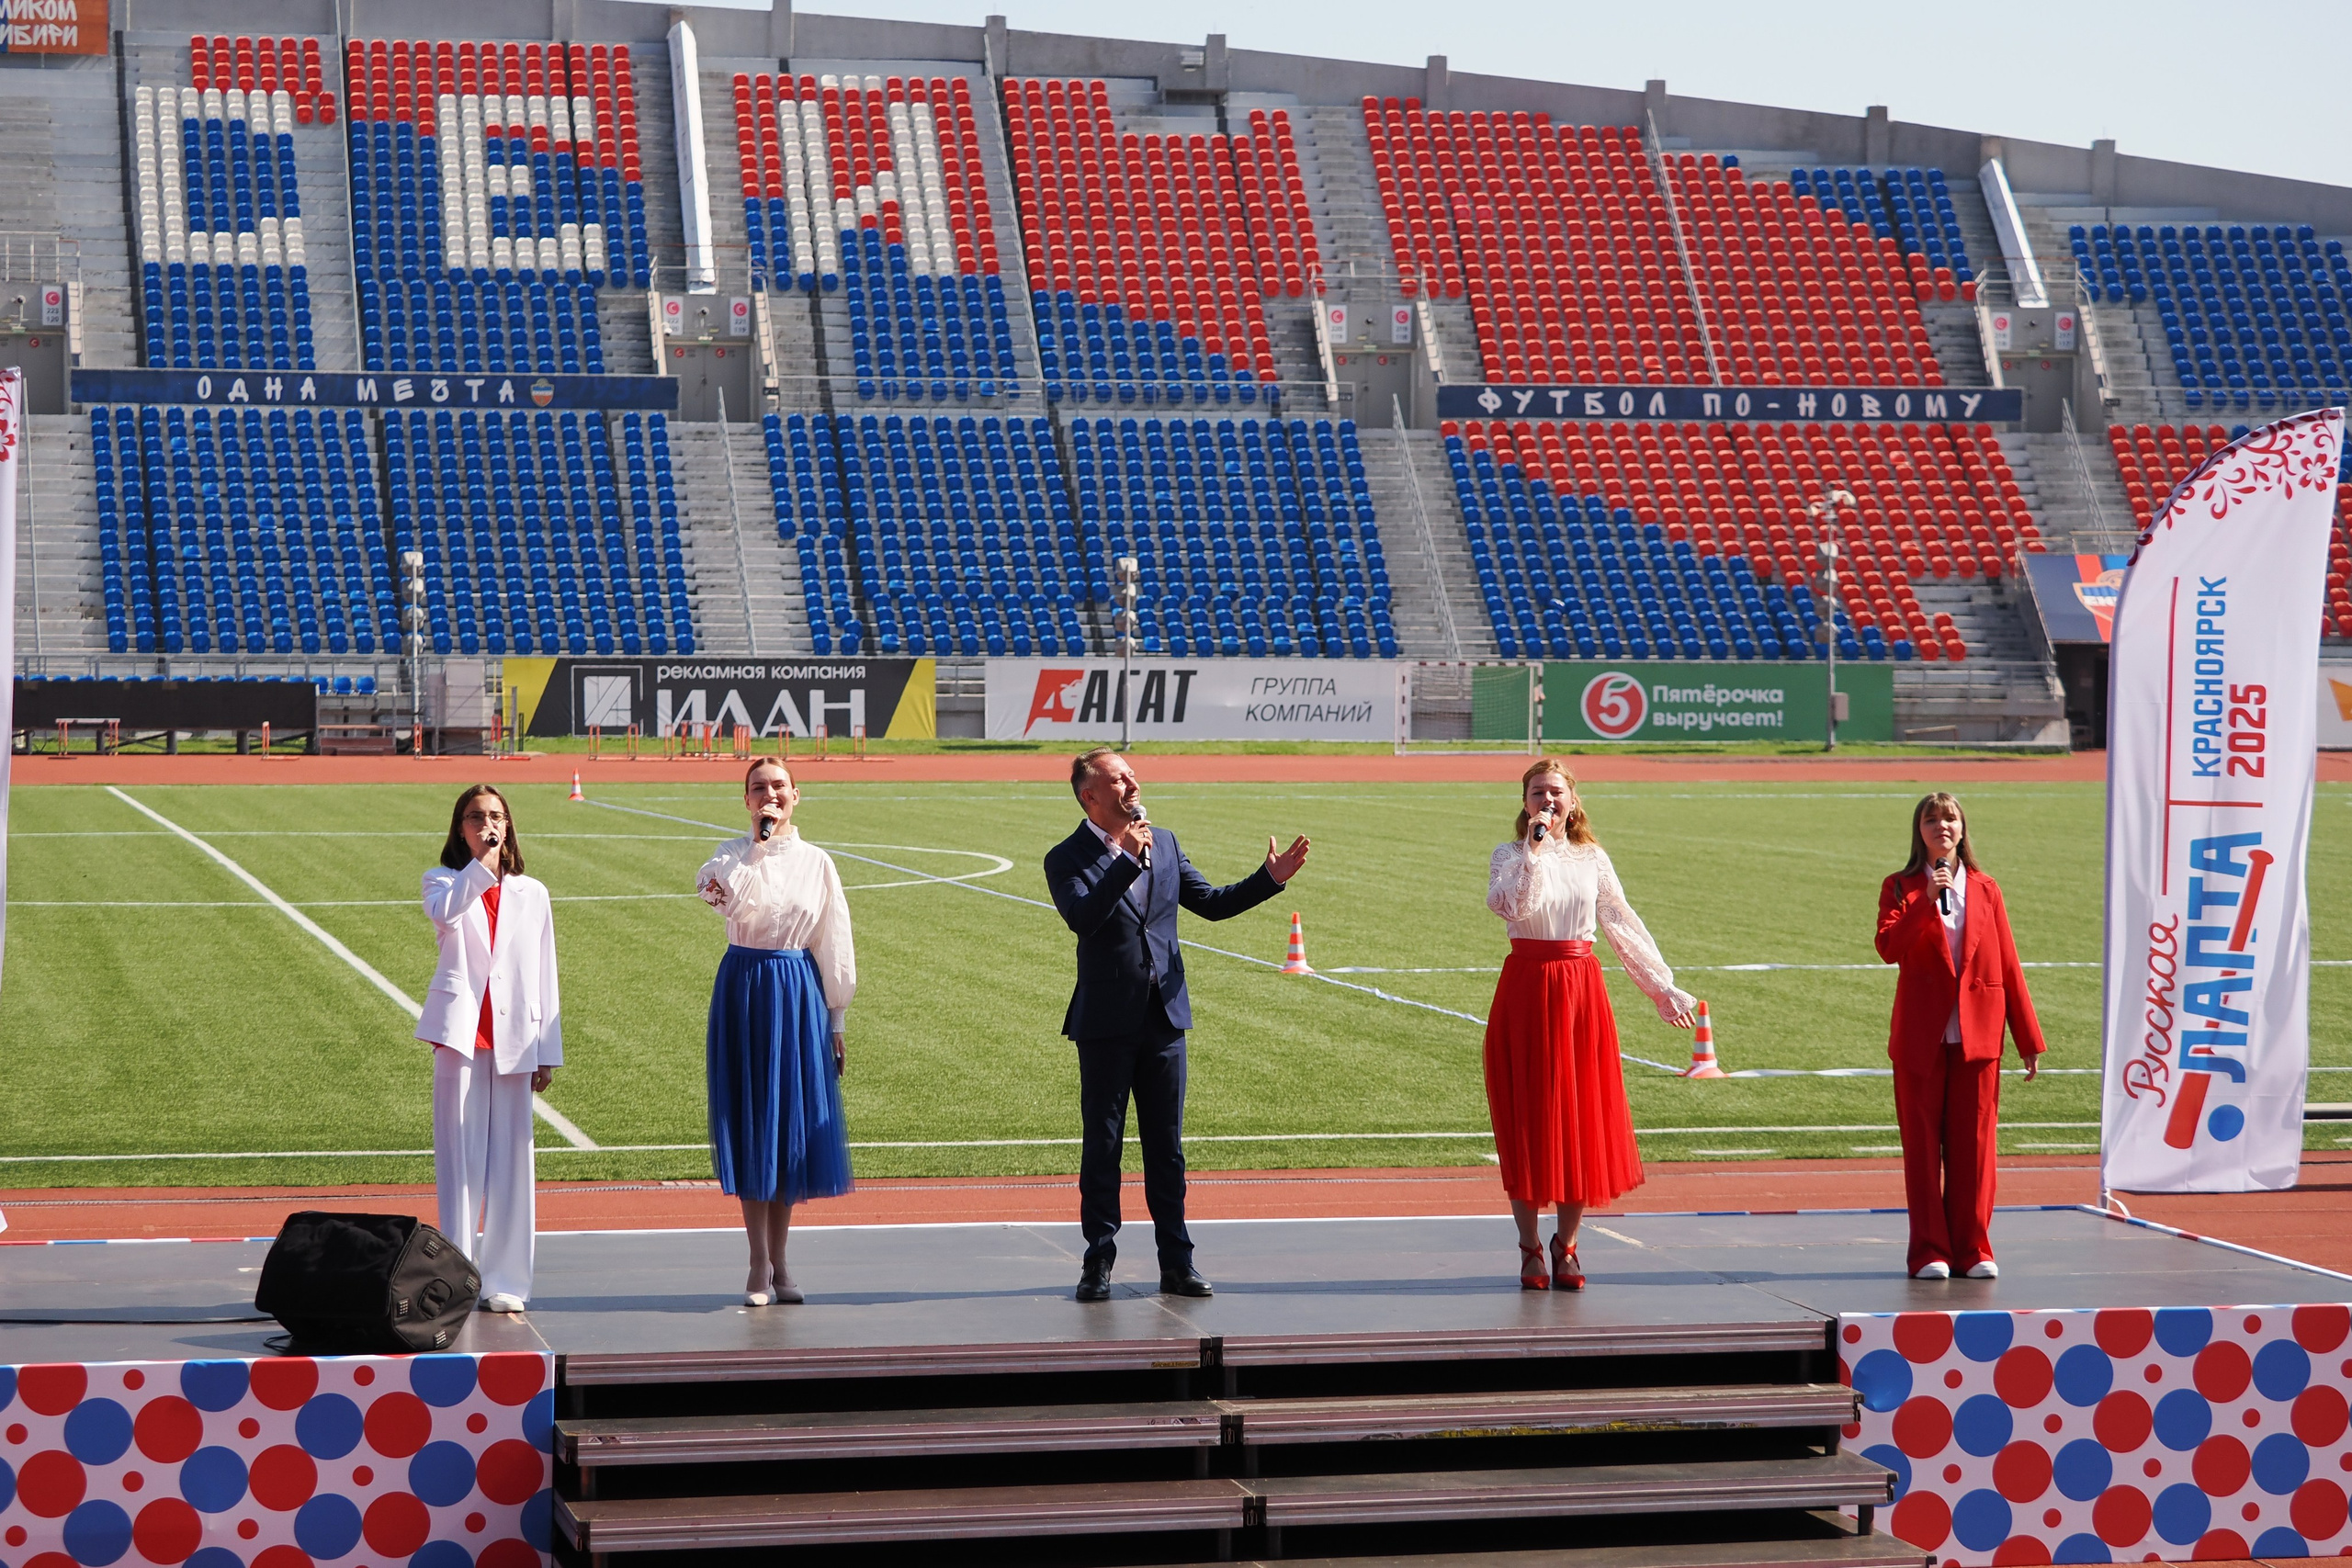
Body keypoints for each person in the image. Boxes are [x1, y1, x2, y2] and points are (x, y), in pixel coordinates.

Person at [1045, 747, 1311, 1303]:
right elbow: (1084, 919)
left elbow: (1210, 904)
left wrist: (1269, 878)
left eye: (1131, 774)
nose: (1131, 783)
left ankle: (1177, 1261)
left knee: (1166, 1147)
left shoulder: (1162, 842)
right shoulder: (1065, 857)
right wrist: (1123, 860)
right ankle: (1098, 1260)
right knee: (1104, 1144)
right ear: (1090, 795)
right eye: (1118, 778)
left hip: (1164, 1017)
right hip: (1104, 1023)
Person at [1485, 760, 1694, 1292]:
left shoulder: (1591, 858)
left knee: (1578, 1118)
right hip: (1526, 989)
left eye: (1556, 793)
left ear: (1573, 801)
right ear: (1525, 802)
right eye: (1537, 794)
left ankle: (1567, 1244)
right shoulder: (1508, 856)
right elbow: (1511, 905)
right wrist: (1533, 851)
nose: (1547, 801)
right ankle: (1530, 1246)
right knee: (1528, 1121)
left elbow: (1621, 923)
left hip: (1580, 992)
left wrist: (1662, 987)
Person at [697, 758, 855, 1305]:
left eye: (779, 786)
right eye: (759, 788)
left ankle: (782, 1263)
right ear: (746, 800)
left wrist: (836, 1017)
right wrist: (759, 848)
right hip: (745, 988)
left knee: (788, 1126)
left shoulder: (818, 863)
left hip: (797, 990)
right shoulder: (727, 857)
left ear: (796, 795)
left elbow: (834, 939)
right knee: (752, 1124)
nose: (770, 795)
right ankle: (757, 1262)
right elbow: (723, 898)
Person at [1876, 792, 2044, 1280]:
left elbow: (2008, 964)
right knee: (1924, 1150)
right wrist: (1926, 904)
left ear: (1963, 829)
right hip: (1920, 1039)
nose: (1942, 827)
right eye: (1932, 820)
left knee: (1974, 1147)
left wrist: (2027, 1038)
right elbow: (1889, 947)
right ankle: (1929, 1250)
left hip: (1979, 1034)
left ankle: (1973, 1248)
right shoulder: (1900, 886)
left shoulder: (1988, 889)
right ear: (1919, 832)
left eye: (1950, 819)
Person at [417, 784, 562, 1313]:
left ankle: (505, 1281)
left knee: (512, 1162)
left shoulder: (533, 893)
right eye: (476, 817)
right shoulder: (443, 881)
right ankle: (455, 1280)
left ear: (509, 824)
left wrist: (549, 1048)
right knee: (460, 1163)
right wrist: (482, 864)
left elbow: (544, 970)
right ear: (461, 828)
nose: (487, 824)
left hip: (516, 1038)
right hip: (460, 1035)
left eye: (496, 817)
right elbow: (448, 915)